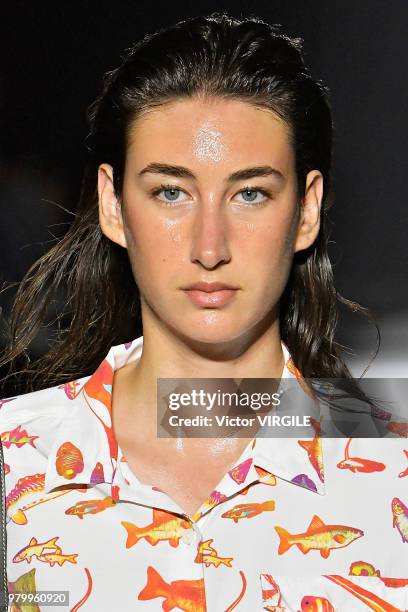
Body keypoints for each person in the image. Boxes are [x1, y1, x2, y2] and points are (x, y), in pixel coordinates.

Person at [0, 12, 407, 612]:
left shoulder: (392, 468)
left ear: (306, 211)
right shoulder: (14, 463)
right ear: (113, 206)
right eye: (171, 192)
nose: (209, 248)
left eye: (250, 193)